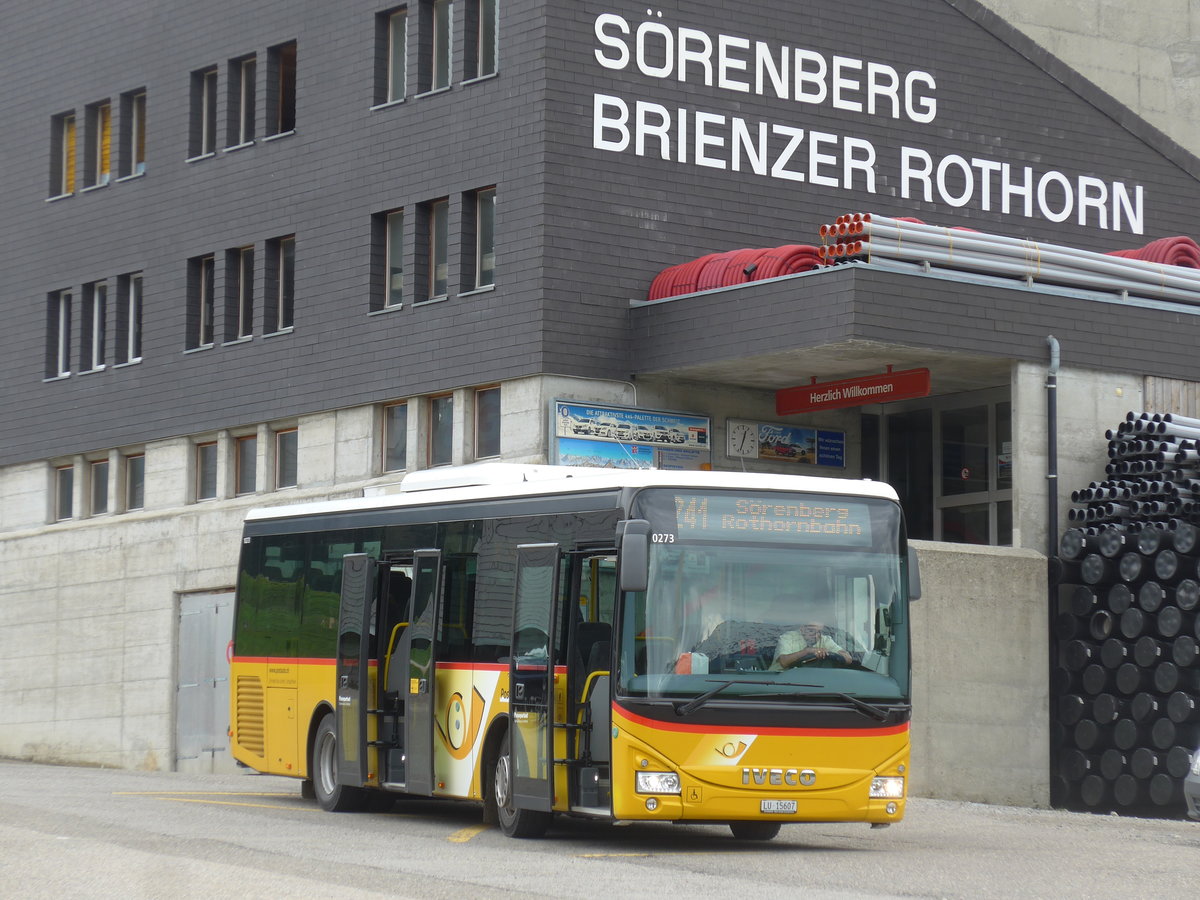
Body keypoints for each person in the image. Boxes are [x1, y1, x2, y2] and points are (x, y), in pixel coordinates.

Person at [769, 620, 852, 670]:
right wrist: (807, 651)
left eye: (819, 631)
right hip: (781, 682)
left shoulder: (825, 639)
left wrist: (829, 653)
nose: (816, 635)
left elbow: (848, 658)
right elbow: (784, 662)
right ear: (802, 628)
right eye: (811, 631)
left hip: (812, 682)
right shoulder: (788, 637)